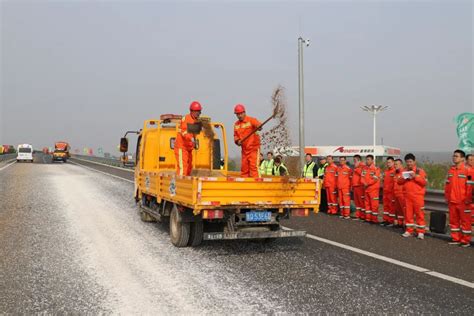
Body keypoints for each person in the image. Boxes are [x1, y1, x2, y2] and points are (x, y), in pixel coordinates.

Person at [445, 150, 471, 247]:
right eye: (453, 156)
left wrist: (469, 198)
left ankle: (465, 241)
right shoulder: (451, 170)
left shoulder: (468, 170)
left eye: (456, 156)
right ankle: (456, 238)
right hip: (452, 201)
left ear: (462, 158)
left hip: (463, 201)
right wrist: (447, 197)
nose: (454, 157)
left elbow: (470, 185)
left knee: (465, 222)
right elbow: (447, 185)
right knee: (453, 221)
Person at [398, 153, 427, 239]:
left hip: (418, 197)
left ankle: (421, 232)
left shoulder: (420, 171)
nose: (409, 163)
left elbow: (424, 182)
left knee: (420, 214)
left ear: (414, 161)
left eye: (410, 161)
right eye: (407, 162)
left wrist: (415, 177)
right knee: (408, 215)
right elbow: (398, 182)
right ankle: (409, 230)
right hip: (407, 196)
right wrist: (404, 178)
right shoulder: (403, 171)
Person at [233, 104, 262, 178]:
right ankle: (245, 187)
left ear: (244, 112)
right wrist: (238, 141)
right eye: (237, 114)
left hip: (253, 149)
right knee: (244, 170)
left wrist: (259, 126)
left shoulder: (251, 120)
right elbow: (235, 136)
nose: (239, 115)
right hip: (244, 150)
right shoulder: (236, 125)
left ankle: (256, 187)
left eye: (241, 113)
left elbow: (259, 125)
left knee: (253, 168)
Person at [175, 101, 202, 176]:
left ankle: (187, 184)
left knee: (189, 167)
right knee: (183, 167)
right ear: (192, 111)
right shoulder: (186, 119)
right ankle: (180, 185)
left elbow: (194, 133)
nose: (198, 113)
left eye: (199, 112)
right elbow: (184, 132)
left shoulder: (196, 120)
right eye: (197, 111)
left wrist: (194, 142)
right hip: (181, 147)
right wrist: (192, 139)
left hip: (189, 148)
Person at [361, 154, 381, 223]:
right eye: (366, 159)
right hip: (366, 189)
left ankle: (374, 219)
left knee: (374, 205)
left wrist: (367, 183)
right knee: (367, 204)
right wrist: (364, 183)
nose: (367, 161)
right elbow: (362, 178)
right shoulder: (364, 168)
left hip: (373, 190)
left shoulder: (376, 169)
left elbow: (375, 179)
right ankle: (368, 218)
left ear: (372, 160)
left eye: (368, 159)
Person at [381, 157, 396, 226]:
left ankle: (391, 221)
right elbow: (383, 180)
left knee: (391, 208)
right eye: (387, 162)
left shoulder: (395, 171)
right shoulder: (386, 171)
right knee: (386, 207)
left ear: (393, 162)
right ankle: (385, 220)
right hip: (385, 192)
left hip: (392, 192)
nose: (388, 164)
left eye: (389, 162)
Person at [351, 155, 365, 220]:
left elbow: (363, 174)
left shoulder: (362, 166)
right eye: (354, 161)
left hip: (360, 186)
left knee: (361, 202)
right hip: (355, 186)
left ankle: (362, 216)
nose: (354, 162)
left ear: (359, 160)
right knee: (357, 202)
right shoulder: (356, 167)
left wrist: (357, 169)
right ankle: (358, 215)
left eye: (355, 160)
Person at [393, 159, 406, 228]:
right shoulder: (395, 173)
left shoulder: (404, 173)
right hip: (396, 194)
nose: (395, 166)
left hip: (402, 194)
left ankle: (405, 224)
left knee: (404, 210)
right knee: (398, 210)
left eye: (397, 164)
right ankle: (400, 223)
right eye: (395, 164)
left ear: (401, 165)